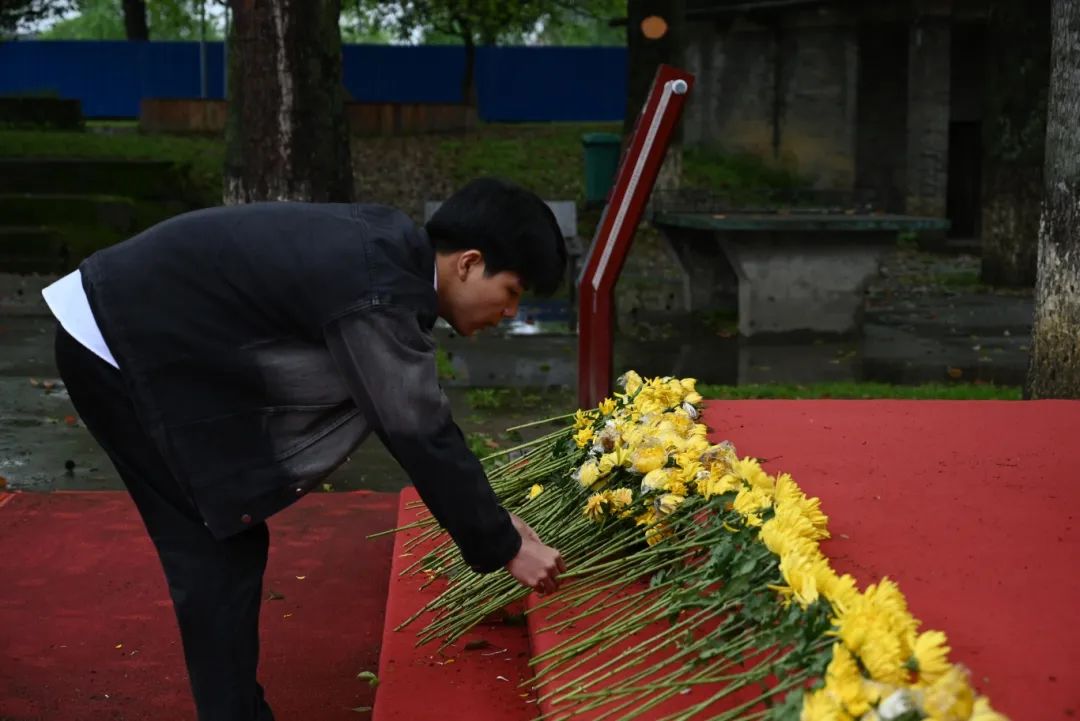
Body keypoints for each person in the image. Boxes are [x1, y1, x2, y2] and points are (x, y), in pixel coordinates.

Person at [43, 177, 568, 721]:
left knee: (226, 537)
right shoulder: (380, 287)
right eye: (512, 292)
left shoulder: (388, 259)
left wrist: (496, 524)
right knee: (214, 547)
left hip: (139, 329)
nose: (510, 313)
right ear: (469, 263)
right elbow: (415, 427)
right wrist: (504, 544)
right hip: (111, 338)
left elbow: (414, 415)